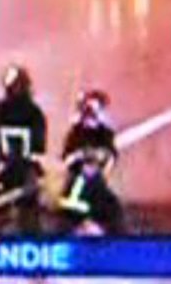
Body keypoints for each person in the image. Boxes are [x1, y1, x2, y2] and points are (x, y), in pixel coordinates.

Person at [0, 65, 48, 234]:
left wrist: (32, 173)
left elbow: (38, 149)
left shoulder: (34, 114)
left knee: (29, 218)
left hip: (25, 174)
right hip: (3, 172)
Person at [58, 88, 124, 234]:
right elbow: (68, 159)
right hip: (80, 195)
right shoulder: (77, 133)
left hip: (91, 190)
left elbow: (110, 159)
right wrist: (81, 156)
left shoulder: (104, 134)